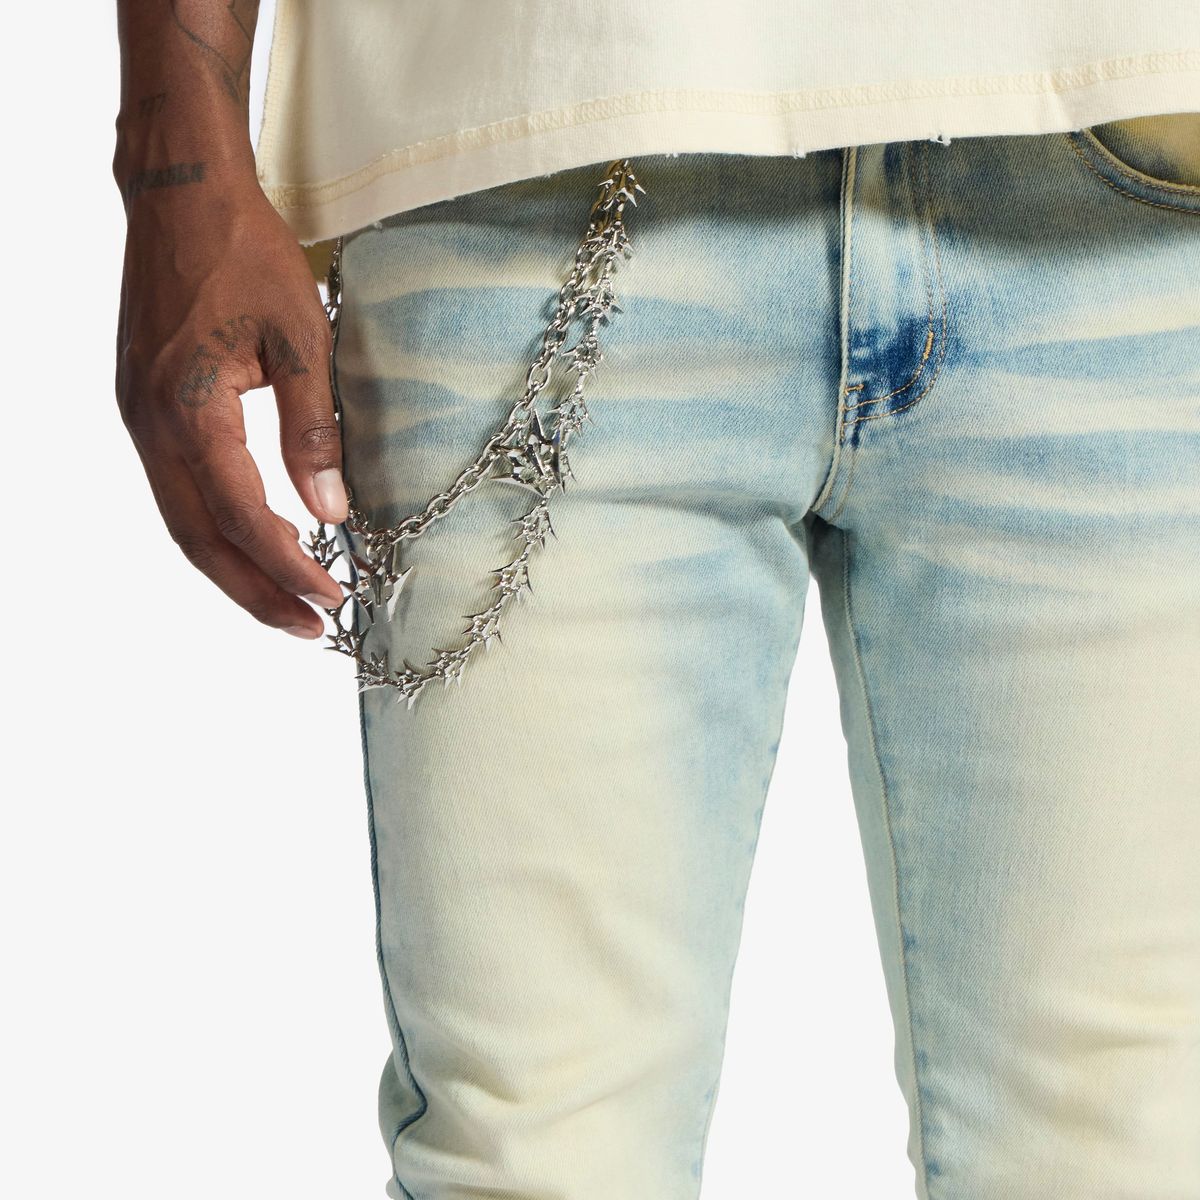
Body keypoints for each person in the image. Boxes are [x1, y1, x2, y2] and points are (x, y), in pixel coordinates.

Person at [113, 3, 1200, 1197]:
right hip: (530, 140)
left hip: (1128, 158)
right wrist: (177, 161)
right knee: (534, 1156)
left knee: (1130, 1154)